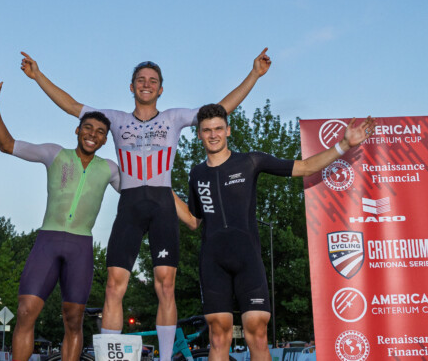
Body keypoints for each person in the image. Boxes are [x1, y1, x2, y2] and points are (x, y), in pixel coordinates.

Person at [21, 50, 272, 361]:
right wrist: (38, 76)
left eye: (153, 80)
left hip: (162, 204)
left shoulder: (173, 118)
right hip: (130, 205)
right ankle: (111, 358)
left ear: (161, 89)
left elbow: (218, 111)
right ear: (132, 86)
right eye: (141, 79)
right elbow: (73, 106)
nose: (146, 84)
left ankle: (165, 359)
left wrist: (254, 75)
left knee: (166, 285)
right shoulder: (115, 119)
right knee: (114, 285)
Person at [177, 104, 375, 361]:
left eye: (218, 128)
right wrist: (161, 187)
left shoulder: (250, 161)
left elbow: (304, 167)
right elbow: (194, 220)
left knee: (257, 332)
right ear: (199, 134)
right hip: (213, 262)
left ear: (228, 130)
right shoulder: (197, 173)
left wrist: (344, 145)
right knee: (218, 335)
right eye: (206, 130)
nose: (213, 135)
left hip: (247, 259)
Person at [0, 72, 120, 361]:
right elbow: (7, 145)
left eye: (99, 132)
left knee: (73, 320)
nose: (92, 134)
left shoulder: (110, 168)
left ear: (105, 140)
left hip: (81, 248)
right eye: (87, 128)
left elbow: (139, 193)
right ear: (77, 130)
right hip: (47, 242)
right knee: (25, 312)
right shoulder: (54, 154)